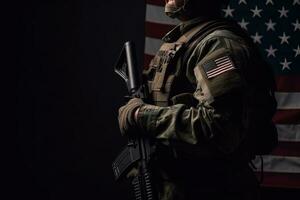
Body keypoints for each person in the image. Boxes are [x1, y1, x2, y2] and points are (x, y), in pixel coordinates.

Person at [118, 0, 277, 199]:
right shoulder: (186, 40)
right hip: (174, 186)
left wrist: (140, 115)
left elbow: (218, 128)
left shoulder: (218, 44)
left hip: (209, 188)